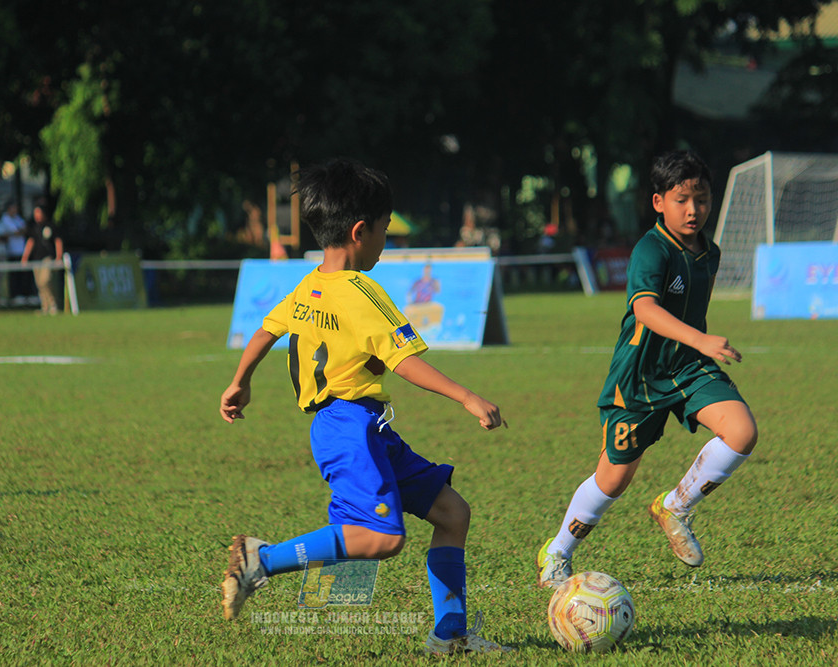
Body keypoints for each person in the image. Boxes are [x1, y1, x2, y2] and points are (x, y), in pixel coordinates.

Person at [219, 158, 510, 655]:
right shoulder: (364, 293)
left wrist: (239, 381)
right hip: (348, 428)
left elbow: (267, 329)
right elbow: (403, 361)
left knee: (451, 513)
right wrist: (466, 396)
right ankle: (260, 560)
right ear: (360, 231)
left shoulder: (310, 285)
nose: (386, 241)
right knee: (382, 538)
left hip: (361, 429)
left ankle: (451, 635)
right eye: (384, 230)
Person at [535, 150, 758, 588]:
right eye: (682, 200)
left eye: (702, 199)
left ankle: (675, 506)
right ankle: (558, 550)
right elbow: (645, 310)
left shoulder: (708, 252)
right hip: (639, 375)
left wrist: (697, 346)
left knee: (742, 432)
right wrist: (701, 339)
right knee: (614, 477)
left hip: (689, 367)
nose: (694, 210)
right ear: (658, 202)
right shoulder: (650, 249)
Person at [21, 203, 63, 315]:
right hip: (36, 259)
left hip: (47, 258)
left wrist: (59, 256)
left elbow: (58, 241)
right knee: (39, 283)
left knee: (45, 280)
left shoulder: (51, 226)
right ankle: (45, 306)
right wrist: (25, 257)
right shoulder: (34, 228)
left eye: (39, 213)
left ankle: (53, 304)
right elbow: (30, 242)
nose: (37, 216)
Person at [2, 201, 30, 305]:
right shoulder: (5, 219)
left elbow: (24, 230)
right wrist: (19, 232)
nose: (15, 210)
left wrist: (19, 232)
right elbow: (17, 232)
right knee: (14, 275)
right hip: (12, 251)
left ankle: (24, 294)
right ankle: (15, 295)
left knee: (23, 274)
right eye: (13, 208)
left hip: (22, 251)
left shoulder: (18, 218)